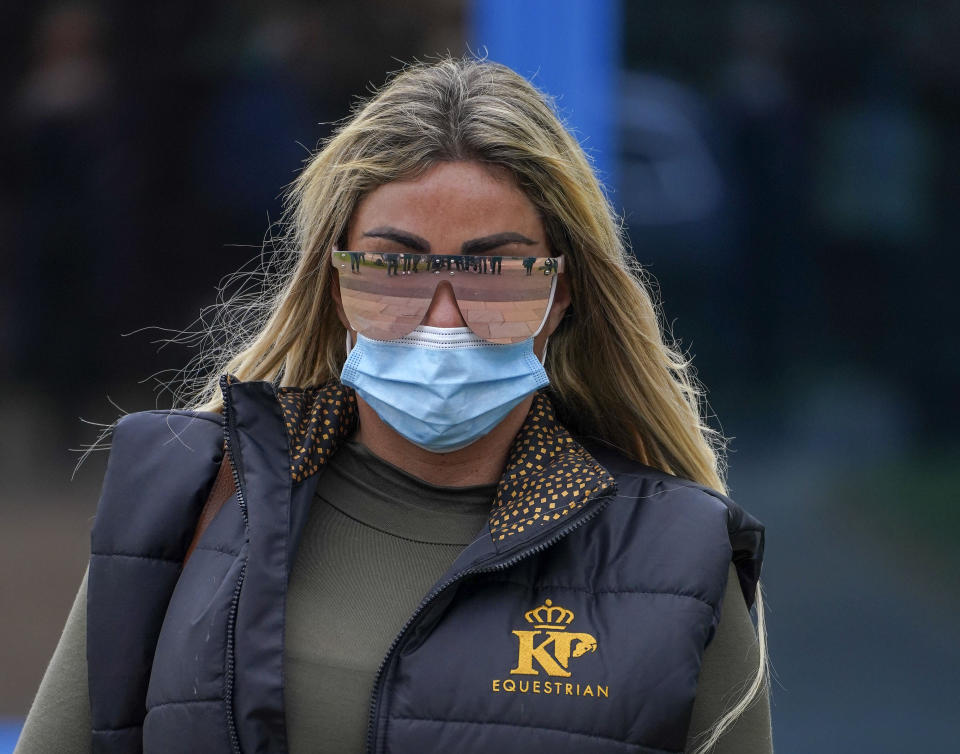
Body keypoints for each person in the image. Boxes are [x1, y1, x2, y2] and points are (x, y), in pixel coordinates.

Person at [16, 58, 772, 754]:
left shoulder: (679, 559)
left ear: (560, 293)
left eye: (493, 268)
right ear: (335, 283)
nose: (442, 318)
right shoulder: (185, 498)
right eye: (394, 265)